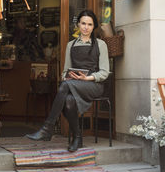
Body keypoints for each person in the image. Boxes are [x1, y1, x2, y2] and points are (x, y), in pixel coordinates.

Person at [26, 9, 109, 152]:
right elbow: (65, 70)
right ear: (78, 25)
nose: (85, 27)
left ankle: (48, 128)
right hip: (73, 83)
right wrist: (68, 76)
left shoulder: (101, 44)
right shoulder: (71, 45)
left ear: (93, 26)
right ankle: (78, 138)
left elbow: (104, 72)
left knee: (65, 86)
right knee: (69, 101)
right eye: (83, 23)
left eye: (89, 24)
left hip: (93, 85)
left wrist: (87, 78)